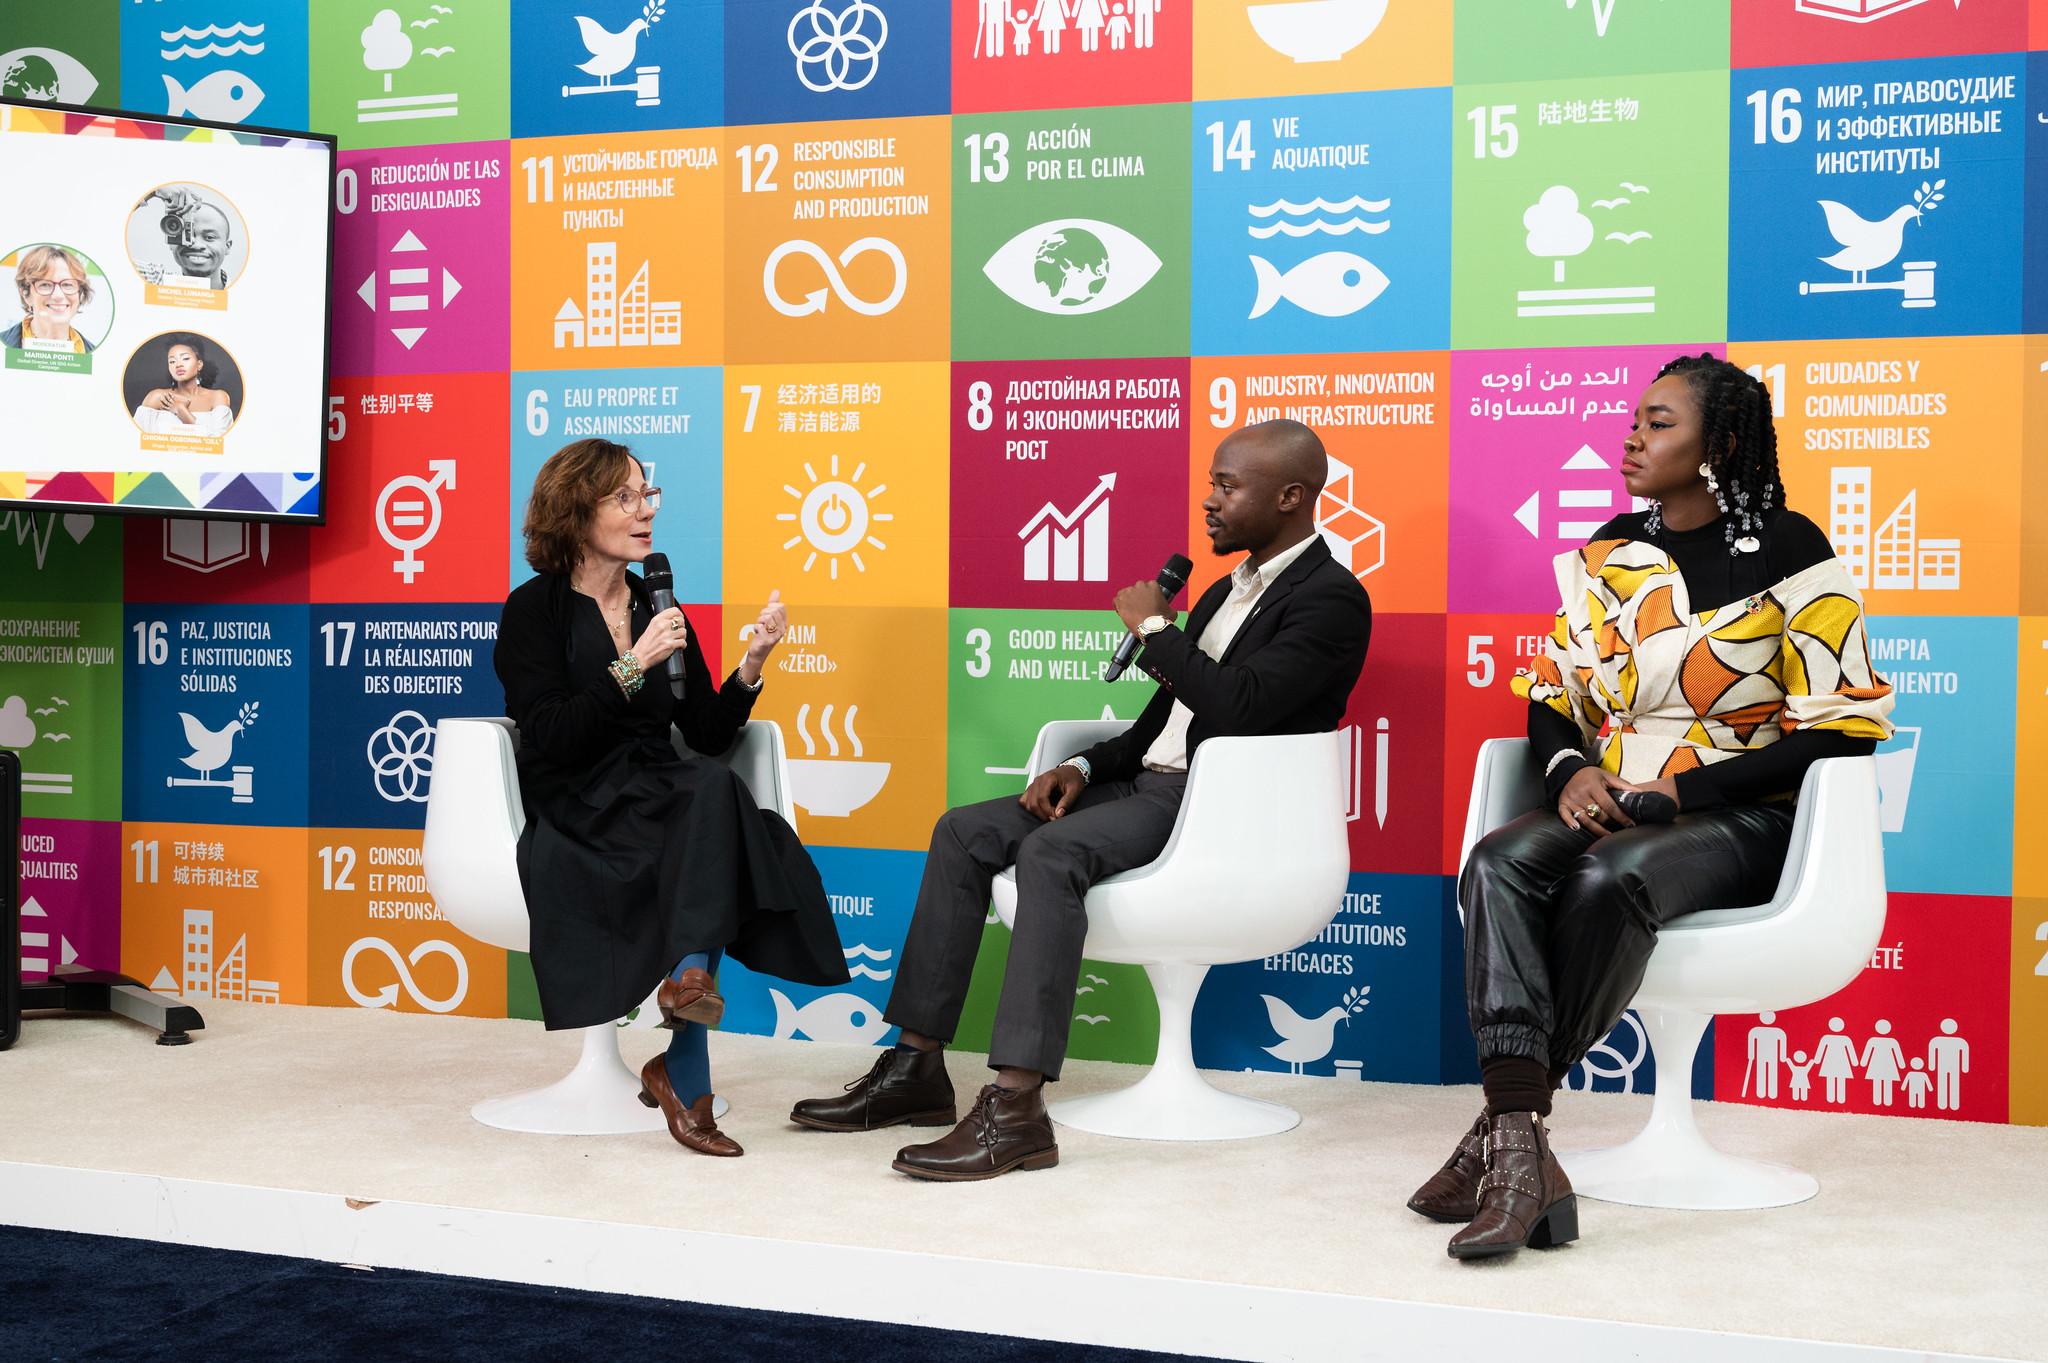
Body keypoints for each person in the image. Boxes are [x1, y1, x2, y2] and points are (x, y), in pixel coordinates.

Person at [790, 419, 1372, 1180]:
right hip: (1150, 784)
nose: (1209, 501)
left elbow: (1241, 708)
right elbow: (1163, 722)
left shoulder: (1333, 598)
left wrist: (1158, 631)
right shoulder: (1227, 591)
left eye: (1228, 486)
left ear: (1291, 496)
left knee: (1052, 851)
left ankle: (1016, 1110)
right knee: (963, 832)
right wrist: (1087, 769)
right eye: (1212, 484)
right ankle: (916, 1068)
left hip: (1218, 804)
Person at [1418, 354, 1893, 1259]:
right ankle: (1525, 1150)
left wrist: (1685, 788)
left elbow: (1845, 727)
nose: (1633, 435)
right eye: (1636, 418)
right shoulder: (1610, 548)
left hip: (1744, 811)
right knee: (1496, 861)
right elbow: (1552, 688)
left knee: (1608, 878)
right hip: (1617, 798)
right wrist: (1568, 770)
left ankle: (1502, 1132)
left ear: (1720, 444)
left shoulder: (1795, 550)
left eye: (1660, 422)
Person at [495, 439, 849, 1157]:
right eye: (623, 497)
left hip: (661, 786)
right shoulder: (533, 611)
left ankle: (687, 1004)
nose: (644, 511)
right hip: (579, 798)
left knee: (712, 791)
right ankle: (686, 1066)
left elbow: (707, 732)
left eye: (646, 495)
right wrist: (633, 665)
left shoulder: (657, 599)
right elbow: (554, 733)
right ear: (575, 508)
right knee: (717, 813)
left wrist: (753, 662)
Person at [131, 335, 234, 436]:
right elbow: (136, 439)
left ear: (199, 365)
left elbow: (220, 444)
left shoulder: (217, 397)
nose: (178, 364)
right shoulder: (158, 398)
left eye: (185, 358)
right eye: (172, 361)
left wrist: (182, 411)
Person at [4, 245, 97, 352]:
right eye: (45, 285)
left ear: (80, 294)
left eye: (67, 284)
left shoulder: (97, 356)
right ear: (26, 294)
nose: (58, 295)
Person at [138, 187, 234, 288]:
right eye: (186, 234)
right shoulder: (155, 282)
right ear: (171, 242)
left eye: (209, 237)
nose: (196, 245)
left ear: (227, 246)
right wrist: (154, 191)